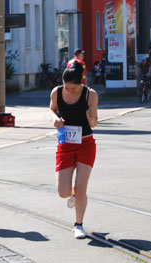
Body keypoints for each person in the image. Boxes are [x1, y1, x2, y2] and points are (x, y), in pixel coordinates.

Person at [49, 61, 98, 239]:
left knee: (81, 187)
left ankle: (78, 224)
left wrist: (91, 117)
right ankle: (73, 195)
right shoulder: (57, 92)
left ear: (81, 84)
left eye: (74, 89)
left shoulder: (89, 94)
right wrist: (55, 119)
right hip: (65, 145)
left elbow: (94, 123)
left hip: (86, 143)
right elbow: (52, 109)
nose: (70, 91)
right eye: (67, 88)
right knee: (63, 191)